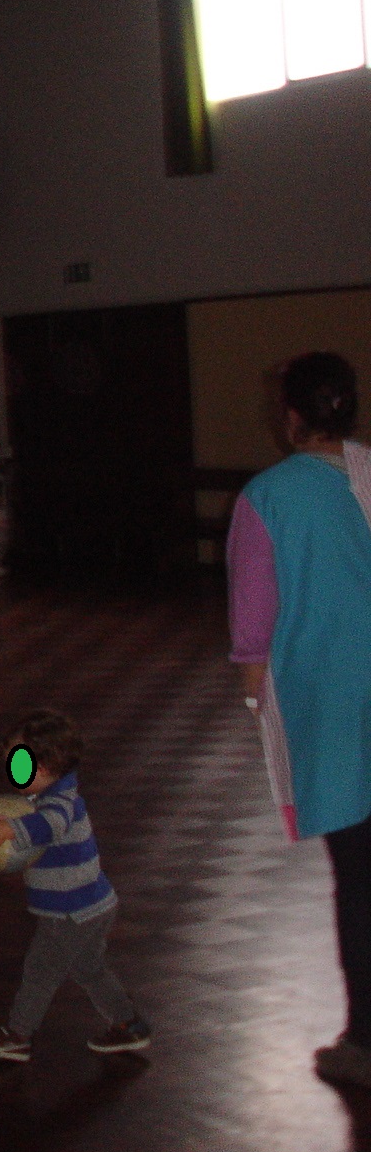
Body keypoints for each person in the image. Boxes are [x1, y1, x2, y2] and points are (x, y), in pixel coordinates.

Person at [226, 351, 371, 1088]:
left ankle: (366, 1042)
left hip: (333, 704)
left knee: (360, 875)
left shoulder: (269, 497)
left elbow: (254, 625)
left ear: (290, 417)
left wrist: (256, 692)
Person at [0, 710, 150, 1062]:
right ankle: (129, 1024)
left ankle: (18, 1035)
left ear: (44, 767)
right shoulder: (42, 798)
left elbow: (46, 825)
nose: (11, 772)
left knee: (40, 971)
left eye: (18, 764)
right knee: (89, 968)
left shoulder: (62, 803)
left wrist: (10, 830)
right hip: (91, 906)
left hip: (71, 912)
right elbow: (14, 817)